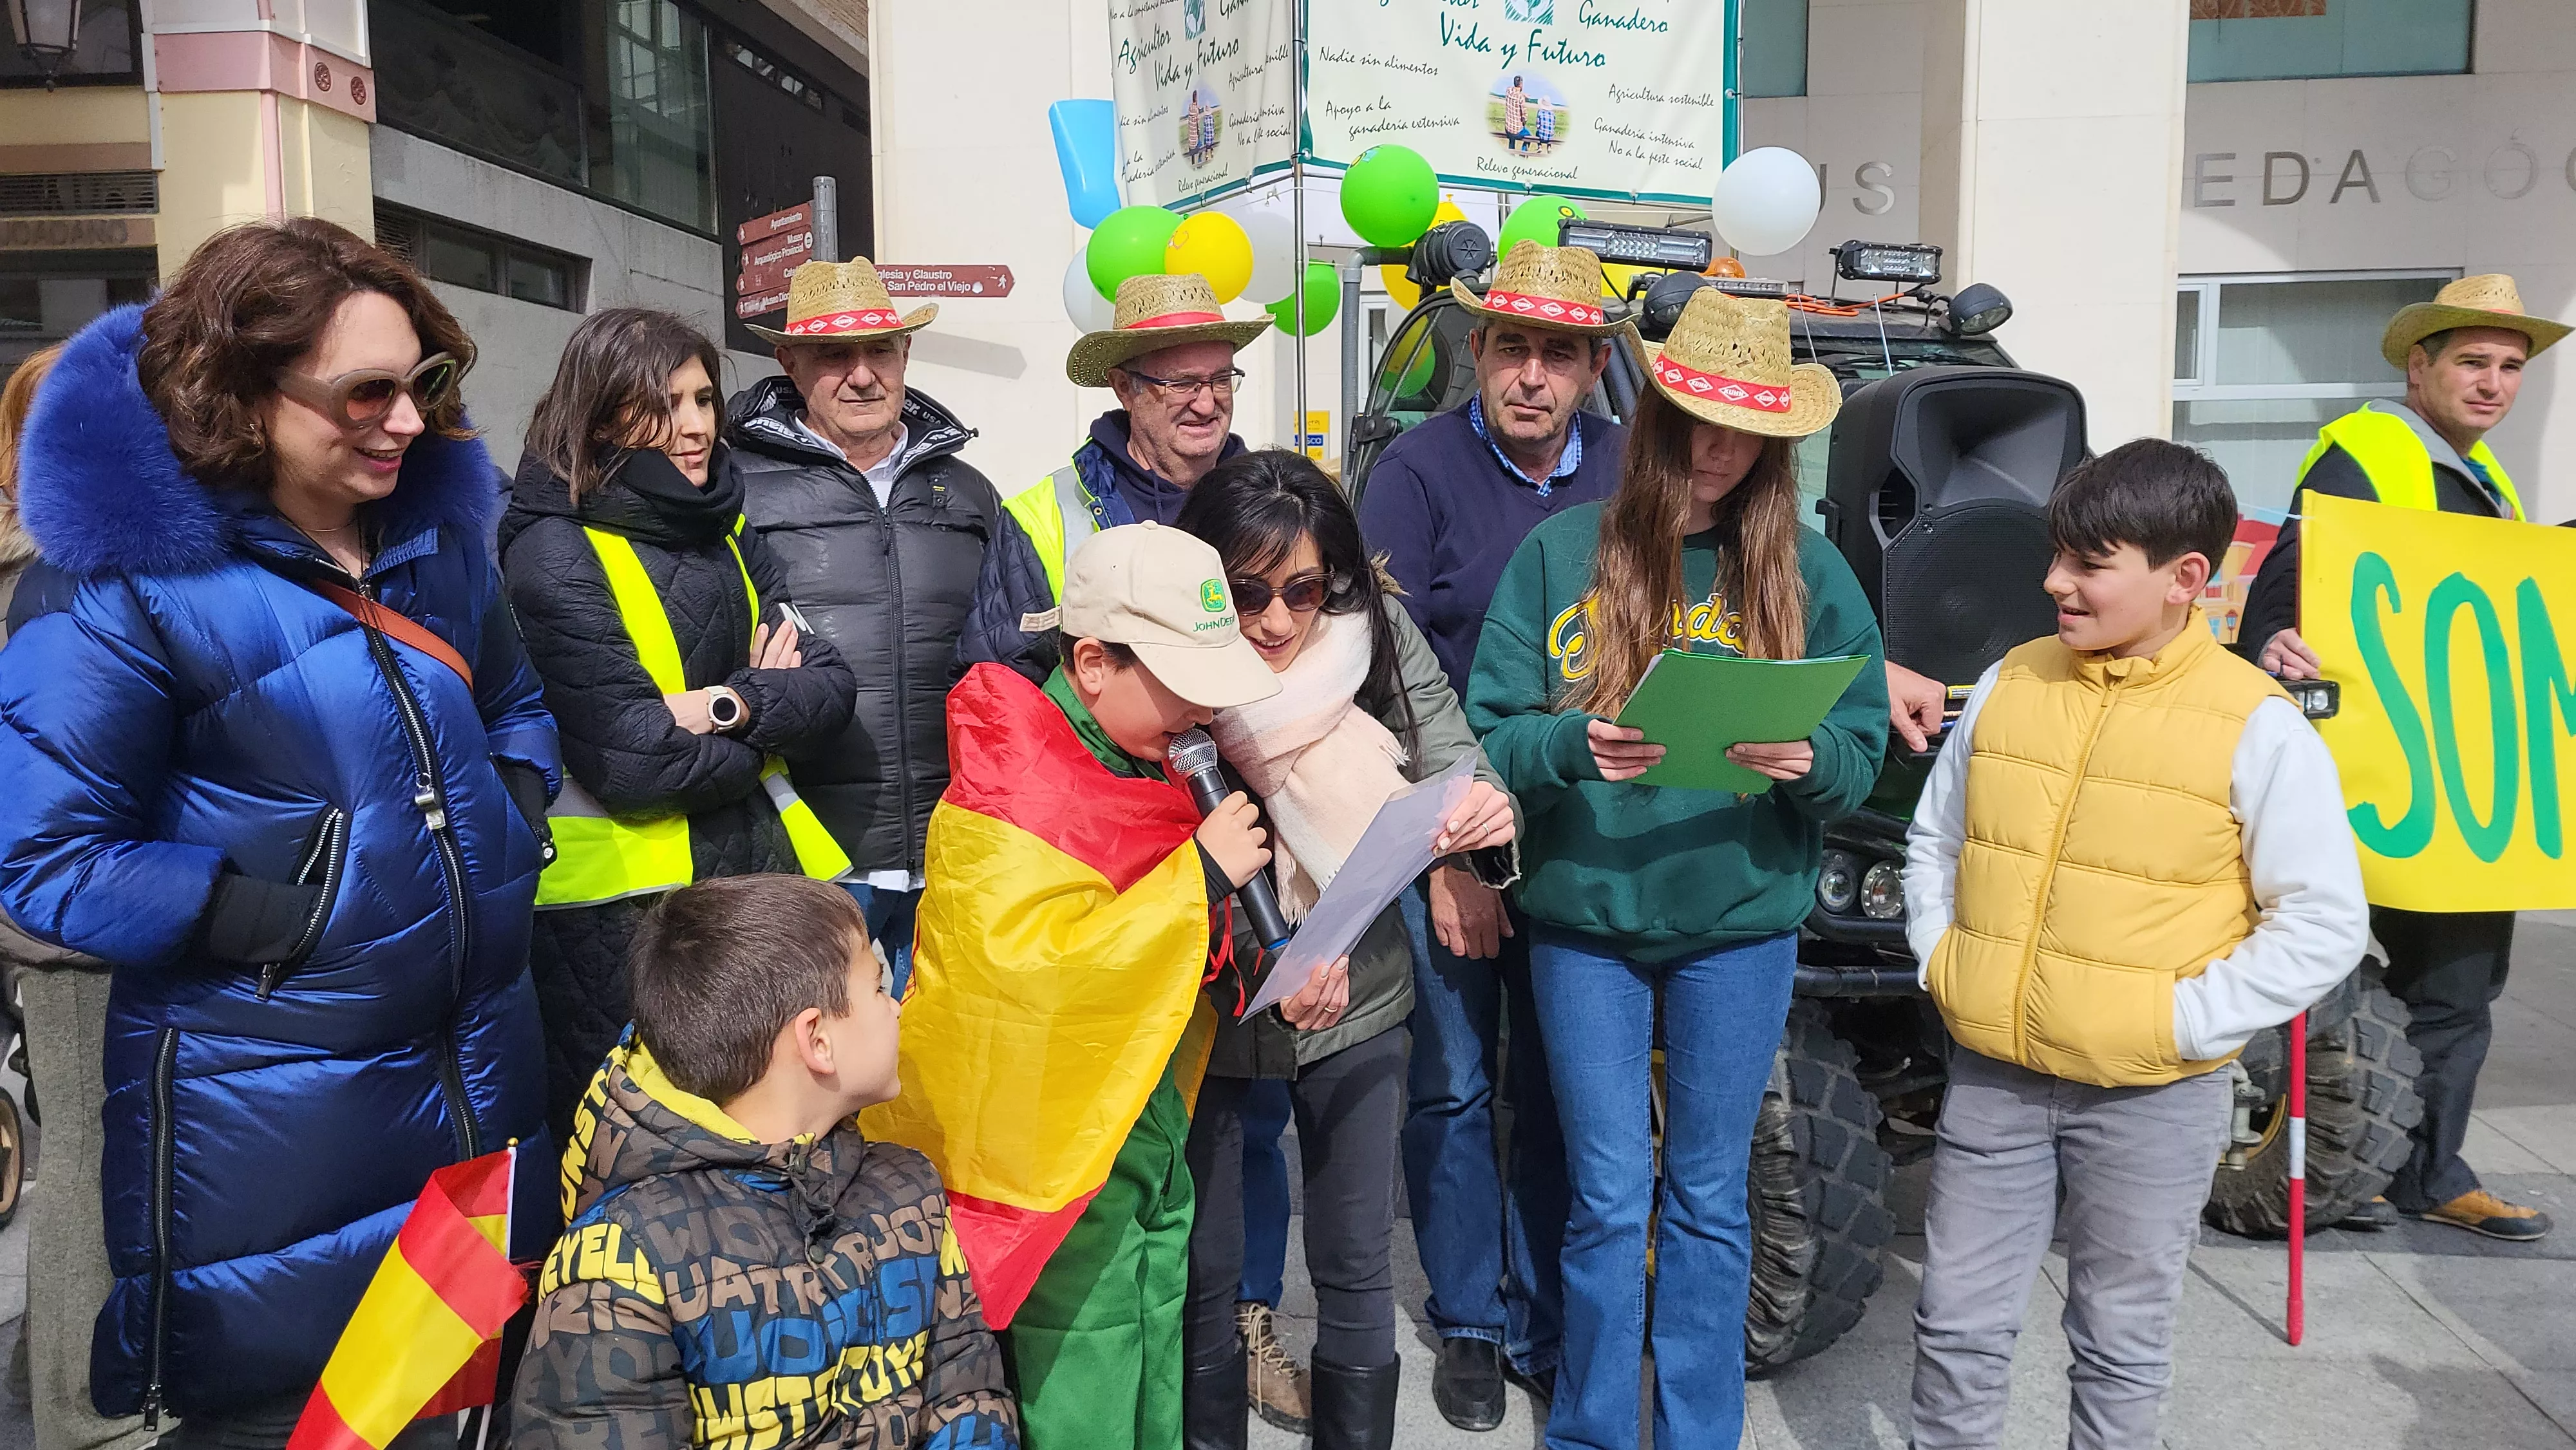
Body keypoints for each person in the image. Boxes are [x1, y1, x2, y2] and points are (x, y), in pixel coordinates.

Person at [0, 218, 556, 1443]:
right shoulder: (115, 586)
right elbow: (47, 859)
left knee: (466, 1410)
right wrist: (265, 911)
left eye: (425, 384)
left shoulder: (438, 540)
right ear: (239, 394)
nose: (408, 421)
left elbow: (514, 705)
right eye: (366, 391)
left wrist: (510, 819)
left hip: (480, 1085)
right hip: (271, 1140)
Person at [1466, 287, 1888, 1450]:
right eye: (1697, 417)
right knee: (1607, 1200)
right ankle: (1594, 1432)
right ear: (1653, 413)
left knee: (1708, 1198)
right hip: (1589, 926)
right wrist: (1569, 743)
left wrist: (1808, 760)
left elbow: (1857, 763)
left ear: (1776, 442)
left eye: (1746, 427)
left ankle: (1698, 1434)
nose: (1717, 449)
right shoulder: (1562, 553)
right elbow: (1487, 731)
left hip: (1741, 925)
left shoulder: (1812, 573)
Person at [1902, 439, 2368, 1449]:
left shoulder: (2258, 723)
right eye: (2057, 555)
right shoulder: (2008, 681)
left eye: (2089, 562)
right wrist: (1947, 959)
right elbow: (1937, 842)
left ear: (2184, 580)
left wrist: (2178, 1020)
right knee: (1955, 1333)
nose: (2053, 582)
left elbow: (2326, 919)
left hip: (2155, 1098)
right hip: (1995, 1076)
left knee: (2121, 1345)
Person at [867, 522, 1313, 1450]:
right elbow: (1026, 982)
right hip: (1055, 1156)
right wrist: (1197, 880)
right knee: (1090, 1347)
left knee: (1153, 1316)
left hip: (1140, 1125)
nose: (1202, 717)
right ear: (1092, 661)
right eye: (1183, 690)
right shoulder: (1012, 782)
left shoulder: (1132, 761)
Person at [1174, 450, 1520, 1450]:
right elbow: (1140, 838)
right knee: (1208, 1267)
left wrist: (1482, 821)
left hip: (1357, 986)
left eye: (1304, 590)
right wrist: (1266, 965)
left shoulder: (1373, 638)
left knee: (1356, 1261)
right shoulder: (1169, 660)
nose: (1279, 621)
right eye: (1245, 593)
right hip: (1210, 998)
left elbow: (1454, 755)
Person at [2236, 273, 2568, 1242]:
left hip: (2456, 783)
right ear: (2418, 366)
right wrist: (2269, 643)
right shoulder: (2373, 451)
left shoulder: (2486, 482)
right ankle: (2354, 1163)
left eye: (2511, 367)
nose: (2495, 383)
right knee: (2360, 974)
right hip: (2382, 776)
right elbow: (2295, 577)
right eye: (2474, 361)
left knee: (2459, 986)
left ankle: (2424, 1169)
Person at [1356, 238, 1624, 1429]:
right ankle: (1469, 1318)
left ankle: (1546, 1317)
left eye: (1557, 354)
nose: (1530, 374)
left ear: (1591, 368)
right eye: (1511, 347)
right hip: (1447, 825)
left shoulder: (1633, 472)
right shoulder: (1412, 474)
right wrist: (1456, 853)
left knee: (1564, 1088)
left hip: (1586, 828)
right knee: (1458, 1085)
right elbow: (1386, 673)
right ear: (1477, 353)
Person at [502, 307, 858, 1136]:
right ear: (601, 413)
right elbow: (635, 765)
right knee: (648, 1162)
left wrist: (723, 706)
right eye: (667, 403)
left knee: (774, 1144)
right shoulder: (554, 548)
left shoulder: (726, 522)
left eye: (704, 397)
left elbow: (832, 688)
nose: (696, 425)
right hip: (625, 923)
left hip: (752, 890)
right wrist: (769, 724)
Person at [512, 873, 1021, 1447]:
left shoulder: (908, 1191)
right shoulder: (619, 1259)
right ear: (817, 1040)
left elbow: (967, 1394)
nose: (898, 1008)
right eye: (878, 986)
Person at [732, 258, 1005, 995]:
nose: (862, 375)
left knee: (933, 1083)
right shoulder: (732, 489)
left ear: (905, 356)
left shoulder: (971, 491)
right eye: (832, 356)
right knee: (818, 1089)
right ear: (788, 363)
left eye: (880, 350)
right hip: (812, 863)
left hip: (955, 856)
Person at [2, 345, 160, 1450]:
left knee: (117, 1158)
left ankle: (69, 1375)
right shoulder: (33, 578)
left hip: (122, 909)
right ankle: (80, 1414)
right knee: (88, 1172)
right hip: (67, 930)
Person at [957, 271, 1272, 682]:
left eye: (1221, 379)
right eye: (1182, 383)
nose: (1207, 403)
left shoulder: (1274, 498)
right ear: (1125, 388)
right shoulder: (1042, 516)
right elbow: (997, 688)